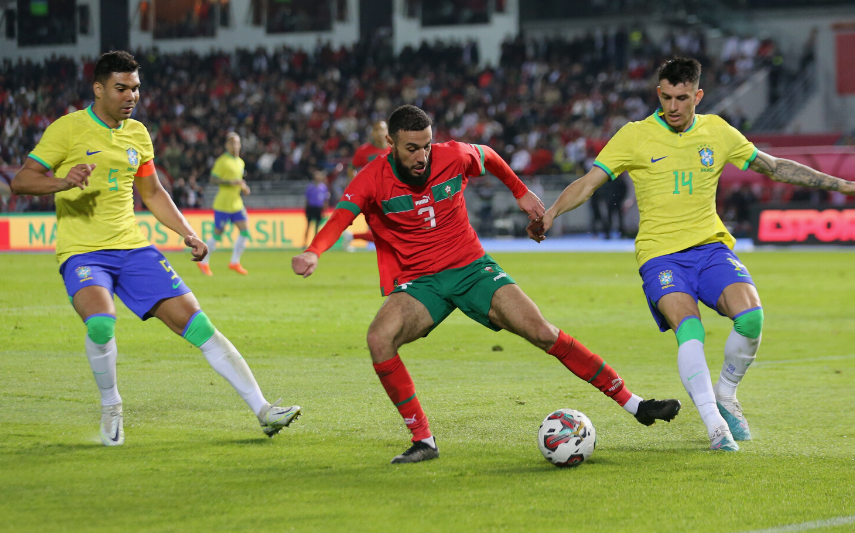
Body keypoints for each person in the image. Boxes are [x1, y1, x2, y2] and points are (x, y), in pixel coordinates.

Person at [530, 58, 855, 451]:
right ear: (658, 94)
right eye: (666, 97)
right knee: (690, 329)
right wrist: (550, 214)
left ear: (697, 95)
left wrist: (842, 185)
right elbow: (588, 183)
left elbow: (773, 166)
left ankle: (726, 393)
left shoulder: (717, 132)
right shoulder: (635, 136)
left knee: (751, 318)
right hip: (661, 255)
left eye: (682, 98)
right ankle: (715, 424)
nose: (672, 106)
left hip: (710, 248)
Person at [292, 105, 681, 464]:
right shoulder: (371, 177)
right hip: (420, 283)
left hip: (472, 269)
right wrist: (314, 252)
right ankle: (423, 441)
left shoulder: (452, 154)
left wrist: (520, 191)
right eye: (411, 148)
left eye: (426, 146)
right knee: (379, 339)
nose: (421, 156)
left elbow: (490, 156)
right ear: (390, 143)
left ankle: (636, 405)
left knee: (543, 332)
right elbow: (341, 217)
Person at [11, 51, 301, 447]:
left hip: (133, 249)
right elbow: (22, 181)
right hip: (84, 253)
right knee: (101, 323)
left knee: (199, 324)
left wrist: (188, 233)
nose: (131, 96)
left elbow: (151, 191)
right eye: (121, 88)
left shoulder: (138, 133)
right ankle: (112, 407)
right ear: (98, 89)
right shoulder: (69, 129)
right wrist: (62, 181)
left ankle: (264, 410)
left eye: (135, 88)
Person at [198, 132, 250, 276]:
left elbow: (237, 180)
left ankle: (234, 262)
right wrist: (230, 183)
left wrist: (243, 187)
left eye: (237, 143)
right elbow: (213, 180)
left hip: (236, 204)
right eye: (232, 143)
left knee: (245, 231)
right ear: (227, 145)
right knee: (217, 235)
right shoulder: (222, 161)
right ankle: (203, 262)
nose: (235, 146)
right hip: (223, 204)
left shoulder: (240, 162)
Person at [303, 170, 330, 247]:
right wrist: (306, 209)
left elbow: (325, 200)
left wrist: (325, 210)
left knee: (317, 227)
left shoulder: (323, 187)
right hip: (311, 207)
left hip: (319, 208)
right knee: (308, 226)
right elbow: (307, 199)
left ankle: (314, 243)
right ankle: (304, 243)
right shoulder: (310, 187)